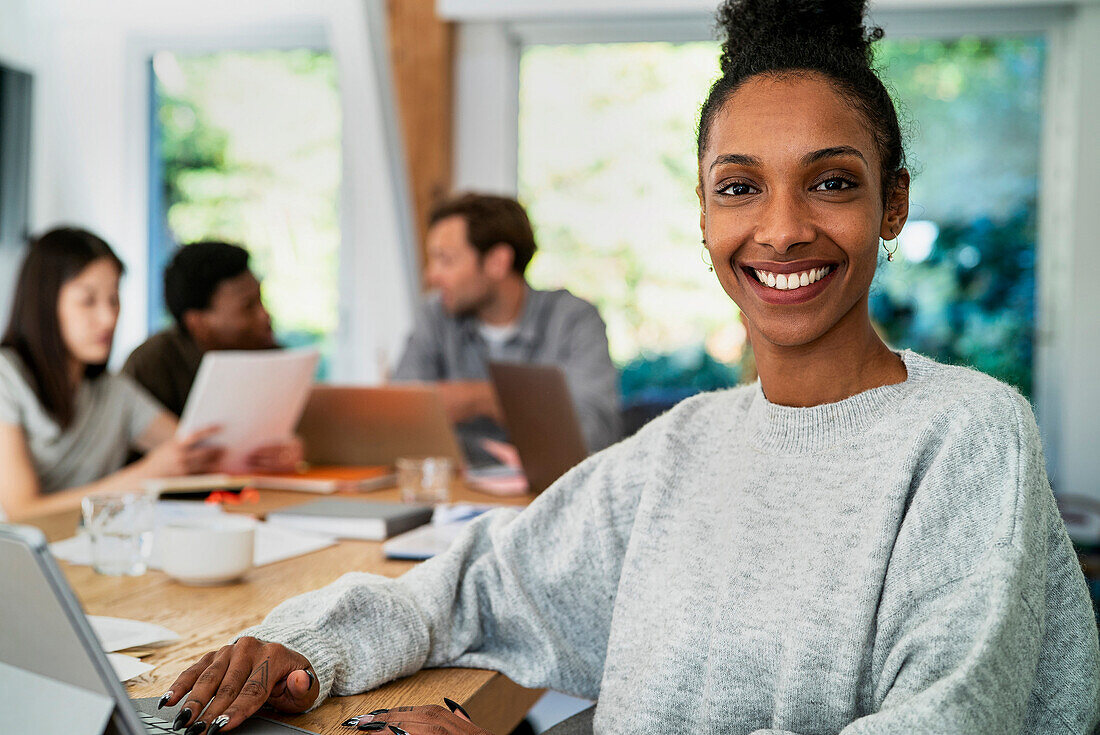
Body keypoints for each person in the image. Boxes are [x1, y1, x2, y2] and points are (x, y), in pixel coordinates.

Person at [161, 1, 1100, 733]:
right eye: (739, 187)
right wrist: (304, 644)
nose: (780, 228)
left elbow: (945, 719)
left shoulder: (971, 431)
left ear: (892, 204)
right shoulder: (686, 442)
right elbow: (483, 581)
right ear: (702, 216)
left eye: (832, 180)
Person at [0, 228, 223, 521]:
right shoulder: (7, 378)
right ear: (44, 304)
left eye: (114, 300)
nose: (108, 318)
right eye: (88, 301)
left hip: (93, 553)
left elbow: (198, 450)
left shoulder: (114, 391)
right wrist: (144, 477)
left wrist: (270, 452)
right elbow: (21, 511)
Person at [392, 193, 621, 455]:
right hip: (457, 492)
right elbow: (399, 417)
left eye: (446, 260)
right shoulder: (436, 316)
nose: (431, 275)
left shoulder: (573, 320)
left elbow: (597, 436)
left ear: (497, 262)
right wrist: (535, 406)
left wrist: (484, 399)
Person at [123, 241, 276, 418]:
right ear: (197, 322)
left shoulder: (270, 353)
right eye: (248, 306)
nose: (265, 315)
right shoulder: (150, 366)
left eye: (261, 300)